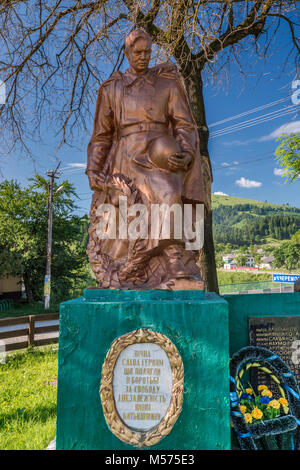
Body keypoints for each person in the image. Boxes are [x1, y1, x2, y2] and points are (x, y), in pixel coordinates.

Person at [86, 29, 206, 289]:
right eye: (137, 52)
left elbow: (184, 124)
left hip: (160, 152)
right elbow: (101, 136)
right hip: (126, 156)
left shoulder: (167, 84)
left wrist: (185, 152)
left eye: (147, 52)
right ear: (127, 53)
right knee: (127, 203)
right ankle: (131, 263)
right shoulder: (112, 88)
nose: (143, 57)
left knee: (171, 192)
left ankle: (174, 256)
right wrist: (93, 170)